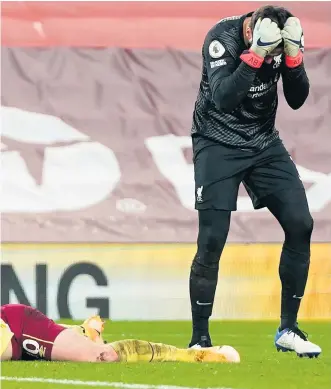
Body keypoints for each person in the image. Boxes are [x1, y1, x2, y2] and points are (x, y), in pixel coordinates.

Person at [189, 4, 321, 358]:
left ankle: (288, 330)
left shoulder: (279, 44)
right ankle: (199, 338)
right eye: (272, 48)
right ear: (252, 31)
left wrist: (293, 58)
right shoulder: (223, 38)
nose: (273, 55)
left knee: (300, 223)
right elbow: (224, 98)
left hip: (263, 143)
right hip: (217, 142)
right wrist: (256, 53)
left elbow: (296, 99)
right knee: (212, 238)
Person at [0, 304, 240, 363]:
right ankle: (86, 331)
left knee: (102, 356)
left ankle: (190, 354)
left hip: (19, 328)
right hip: (13, 344)